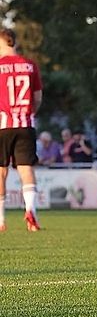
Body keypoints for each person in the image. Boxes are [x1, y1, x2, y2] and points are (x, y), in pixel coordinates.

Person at [0, 28, 44, 232]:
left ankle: (1, 220)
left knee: (1, 172)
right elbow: (37, 98)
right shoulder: (30, 65)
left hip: (3, 125)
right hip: (26, 124)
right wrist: (28, 113)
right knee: (26, 169)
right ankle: (31, 212)